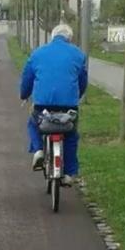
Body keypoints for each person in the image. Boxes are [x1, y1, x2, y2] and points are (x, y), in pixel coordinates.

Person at [19, 23, 87, 186]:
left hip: (43, 105)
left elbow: (27, 79)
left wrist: (24, 95)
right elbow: (82, 81)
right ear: (69, 38)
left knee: (33, 123)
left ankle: (38, 150)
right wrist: (77, 96)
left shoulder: (37, 54)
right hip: (68, 106)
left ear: (52, 36)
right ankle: (69, 173)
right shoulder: (78, 55)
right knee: (71, 135)